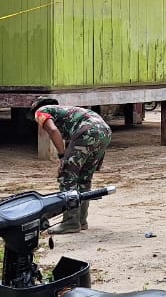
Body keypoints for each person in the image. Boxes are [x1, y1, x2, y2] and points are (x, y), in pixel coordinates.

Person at [34, 100, 112, 234]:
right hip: (105, 132)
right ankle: (81, 221)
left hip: (88, 131)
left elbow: (53, 130)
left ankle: (70, 222)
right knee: (84, 177)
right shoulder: (67, 111)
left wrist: (62, 156)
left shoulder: (41, 111)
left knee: (67, 177)